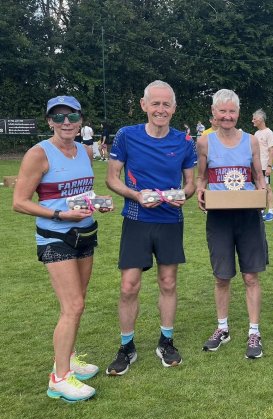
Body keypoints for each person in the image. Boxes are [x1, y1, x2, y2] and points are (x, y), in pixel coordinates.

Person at [13, 95, 107, 402]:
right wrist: (59, 215)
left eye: (72, 117)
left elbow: (81, 191)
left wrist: (96, 204)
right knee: (73, 306)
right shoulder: (38, 154)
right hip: (55, 236)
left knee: (79, 302)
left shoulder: (85, 150)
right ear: (50, 121)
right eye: (59, 117)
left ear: (81, 120)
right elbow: (20, 202)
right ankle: (59, 378)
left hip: (86, 233)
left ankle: (67, 359)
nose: (66, 123)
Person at [105, 80, 197, 376]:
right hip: (136, 219)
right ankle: (126, 346)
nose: (160, 109)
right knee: (129, 285)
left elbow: (191, 182)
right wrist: (135, 195)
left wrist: (184, 194)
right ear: (144, 105)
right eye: (155, 103)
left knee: (168, 282)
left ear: (174, 108)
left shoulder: (184, 142)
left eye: (166, 104)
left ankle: (166, 341)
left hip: (170, 220)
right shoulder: (126, 136)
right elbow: (112, 179)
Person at [196, 89, 268, 359]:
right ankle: (222, 328)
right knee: (222, 276)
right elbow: (201, 177)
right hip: (219, 217)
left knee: (251, 275)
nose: (227, 116)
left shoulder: (250, 141)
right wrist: (201, 192)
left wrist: (264, 195)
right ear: (214, 113)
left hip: (248, 216)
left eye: (232, 111)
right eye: (222, 111)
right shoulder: (204, 143)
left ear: (238, 113)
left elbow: (258, 176)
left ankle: (254, 331)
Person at [252, 108, 273, 222]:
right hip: (256, 166)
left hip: (264, 166)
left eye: (255, 118)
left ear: (261, 119)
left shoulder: (269, 133)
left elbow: (271, 150)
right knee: (257, 188)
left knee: (267, 187)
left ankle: (271, 212)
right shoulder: (256, 133)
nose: (253, 120)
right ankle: (261, 210)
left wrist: (269, 166)